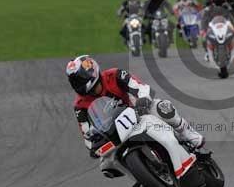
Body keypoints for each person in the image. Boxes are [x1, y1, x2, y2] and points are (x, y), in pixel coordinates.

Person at [66, 55, 205, 177]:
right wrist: (92, 146)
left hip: (136, 111)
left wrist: (143, 99)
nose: (78, 84)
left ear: (91, 72)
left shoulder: (114, 75)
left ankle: (187, 133)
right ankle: (142, 176)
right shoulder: (79, 105)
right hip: (113, 132)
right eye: (74, 81)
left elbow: (140, 86)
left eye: (79, 79)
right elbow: (86, 133)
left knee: (162, 108)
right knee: (106, 166)